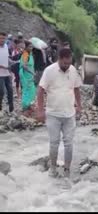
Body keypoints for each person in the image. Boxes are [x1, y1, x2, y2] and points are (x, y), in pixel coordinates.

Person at [37, 48, 82, 178]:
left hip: (69, 114)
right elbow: (40, 90)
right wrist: (40, 110)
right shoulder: (49, 71)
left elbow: (77, 89)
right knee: (54, 143)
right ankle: (52, 168)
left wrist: (79, 106)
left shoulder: (73, 70)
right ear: (59, 59)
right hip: (53, 114)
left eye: (69, 63)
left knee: (69, 143)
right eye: (64, 64)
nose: (67, 66)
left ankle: (67, 169)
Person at [19, 41, 36, 117]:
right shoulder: (25, 54)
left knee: (32, 90)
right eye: (29, 47)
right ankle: (25, 107)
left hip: (30, 75)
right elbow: (24, 66)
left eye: (32, 47)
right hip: (26, 76)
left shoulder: (30, 54)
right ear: (26, 47)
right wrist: (32, 73)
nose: (31, 48)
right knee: (26, 91)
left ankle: (28, 105)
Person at [0, 32, 14, 114]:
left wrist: (11, 62)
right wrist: (4, 67)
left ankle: (11, 108)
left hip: (7, 73)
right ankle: (0, 105)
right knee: (1, 91)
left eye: (3, 38)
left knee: (10, 90)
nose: (2, 40)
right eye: (0, 38)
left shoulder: (5, 46)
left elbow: (7, 57)